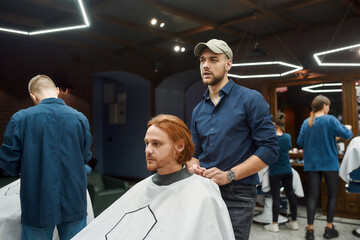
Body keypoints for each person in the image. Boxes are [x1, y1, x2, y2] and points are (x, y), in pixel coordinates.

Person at [72, 114, 235, 240]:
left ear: (179, 146)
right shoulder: (141, 188)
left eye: (156, 144)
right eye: (147, 143)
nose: (148, 150)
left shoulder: (202, 194)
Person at [189, 39, 279, 239]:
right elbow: (193, 153)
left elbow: (270, 149)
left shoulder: (250, 99)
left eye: (213, 60)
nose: (205, 65)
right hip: (203, 190)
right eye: (202, 60)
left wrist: (229, 175)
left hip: (237, 194)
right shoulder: (198, 110)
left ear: (228, 64)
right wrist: (193, 167)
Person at [0, 75, 93, 240]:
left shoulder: (20, 119)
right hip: (74, 198)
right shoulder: (80, 119)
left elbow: (8, 161)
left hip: (37, 200)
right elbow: (85, 156)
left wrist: (28, 169)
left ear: (33, 96)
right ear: (57, 91)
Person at [297, 95, 353, 240]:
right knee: (332, 195)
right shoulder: (331, 120)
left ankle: (310, 231)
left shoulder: (306, 123)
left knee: (312, 197)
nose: (329, 108)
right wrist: (347, 128)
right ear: (324, 106)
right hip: (329, 164)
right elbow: (348, 134)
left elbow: (300, 142)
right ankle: (328, 229)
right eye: (328, 105)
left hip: (312, 165)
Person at [264, 112, 298, 232]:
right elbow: (288, 148)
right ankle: (294, 222)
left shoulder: (271, 138)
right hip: (287, 170)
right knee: (290, 194)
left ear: (273, 124)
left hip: (275, 171)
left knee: (276, 197)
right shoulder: (287, 137)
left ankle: (274, 224)